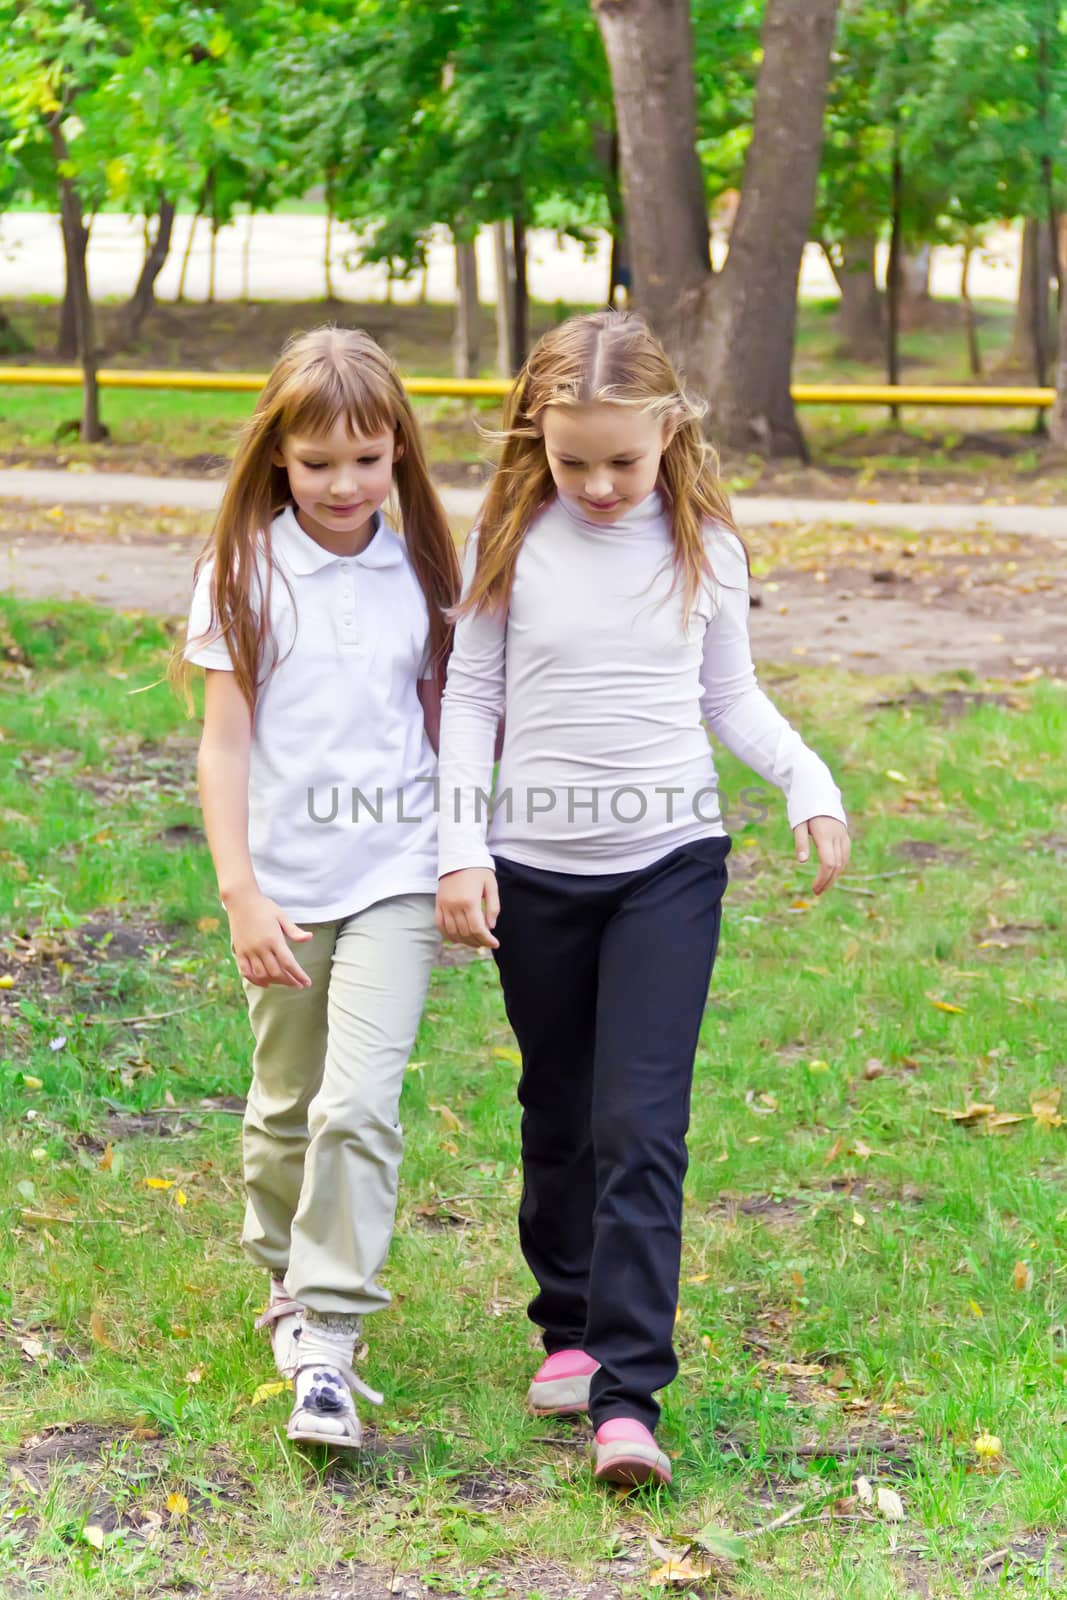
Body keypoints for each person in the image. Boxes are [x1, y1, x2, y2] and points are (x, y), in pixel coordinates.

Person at [435, 310, 849, 1488]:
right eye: (574, 461)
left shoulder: (705, 544)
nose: (600, 484)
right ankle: (564, 1330)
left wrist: (804, 780)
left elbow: (732, 697)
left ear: (671, 430)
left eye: (623, 458)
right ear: (537, 442)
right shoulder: (509, 536)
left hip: (670, 863)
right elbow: (471, 698)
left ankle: (628, 1395)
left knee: (640, 1123)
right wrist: (460, 848)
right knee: (558, 1106)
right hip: (537, 868)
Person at [183, 326, 460, 1448]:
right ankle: (285, 1283)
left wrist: (459, 856)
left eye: (367, 458)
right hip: (286, 887)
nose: (343, 484)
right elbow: (223, 748)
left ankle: (329, 1336)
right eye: (317, 463)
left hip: (394, 872)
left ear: (398, 451)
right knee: (286, 1108)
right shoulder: (242, 570)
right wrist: (240, 893)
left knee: (359, 1102)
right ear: (277, 461)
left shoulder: (426, 568)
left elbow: (448, 725)